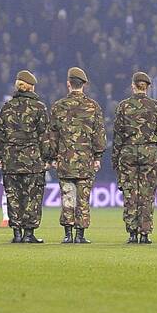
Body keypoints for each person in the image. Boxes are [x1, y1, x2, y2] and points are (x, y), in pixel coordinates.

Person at [49, 66, 106, 244]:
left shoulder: (58, 106)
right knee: (83, 199)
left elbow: (51, 136)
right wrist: (97, 157)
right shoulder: (93, 106)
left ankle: (68, 234)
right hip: (85, 161)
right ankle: (80, 235)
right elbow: (99, 135)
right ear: (84, 84)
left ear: (68, 84)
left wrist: (52, 157)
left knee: (67, 197)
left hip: (64, 160)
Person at [0, 69, 53, 243]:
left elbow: (0, 134)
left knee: (13, 196)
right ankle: (29, 233)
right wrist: (47, 158)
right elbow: (45, 136)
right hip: (32, 160)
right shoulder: (39, 107)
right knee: (32, 196)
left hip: (11, 159)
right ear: (31, 87)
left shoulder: (7, 107)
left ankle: (16, 233)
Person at [113, 71, 157, 244]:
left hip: (128, 152)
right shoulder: (156, 107)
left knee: (130, 194)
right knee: (147, 194)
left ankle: (132, 233)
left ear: (133, 86)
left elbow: (118, 136)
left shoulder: (123, 106)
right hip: (149, 152)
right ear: (148, 87)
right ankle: (145, 233)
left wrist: (115, 161)